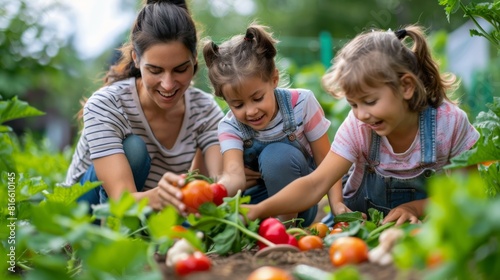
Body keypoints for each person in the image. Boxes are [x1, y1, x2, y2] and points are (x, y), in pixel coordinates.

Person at [246, 25, 480, 226]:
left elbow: (467, 193)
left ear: (406, 86)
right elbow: (315, 184)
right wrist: (258, 210)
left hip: (422, 229)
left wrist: (416, 208)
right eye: (353, 104)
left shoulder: (449, 123)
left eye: (369, 101)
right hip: (361, 225)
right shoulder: (358, 127)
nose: (361, 115)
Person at [63, 0, 224, 215]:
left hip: (147, 214)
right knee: (134, 149)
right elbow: (121, 199)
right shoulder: (106, 105)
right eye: (155, 70)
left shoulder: (204, 110)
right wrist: (170, 195)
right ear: (136, 59)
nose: (168, 84)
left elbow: (219, 180)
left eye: (180, 69)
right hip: (86, 213)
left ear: (194, 60)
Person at [202, 23, 333, 227]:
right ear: (225, 100)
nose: (251, 111)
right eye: (238, 104)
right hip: (255, 208)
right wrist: (210, 194)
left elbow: (327, 161)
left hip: (298, 203)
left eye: (257, 98)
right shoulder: (230, 127)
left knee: (276, 156)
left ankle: (286, 230)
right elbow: (234, 176)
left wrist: (337, 208)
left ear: (274, 79)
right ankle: (262, 228)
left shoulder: (302, 103)